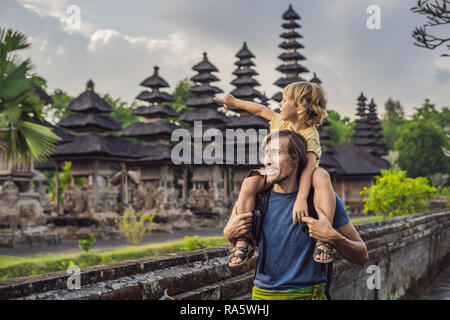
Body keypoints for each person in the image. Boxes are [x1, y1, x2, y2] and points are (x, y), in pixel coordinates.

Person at [223, 130, 369, 300]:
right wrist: (228, 235)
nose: (268, 161)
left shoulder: (321, 199)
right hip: (261, 295)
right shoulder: (257, 199)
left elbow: (362, 256)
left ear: (296, 160)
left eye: (276, 153)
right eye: (266, 154)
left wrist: (333, 237)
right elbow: (240, 249)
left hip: (307, 295)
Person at [214, 81, 336, 266]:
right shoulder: (282, 122)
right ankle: (243, 237)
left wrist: (301, 198)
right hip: (276, 173)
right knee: (249, 182)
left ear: (301, 109)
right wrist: (235, 102)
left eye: (284, 100)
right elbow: (261, 110)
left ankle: (324, 237)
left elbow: (309, 168)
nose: (280, 104)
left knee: (321, 175)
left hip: (306, 176)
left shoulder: (310, 135)